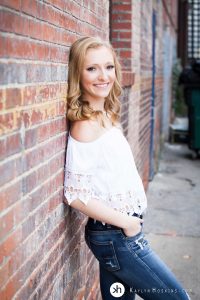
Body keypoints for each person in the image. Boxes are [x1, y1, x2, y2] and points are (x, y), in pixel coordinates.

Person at [63, 36, 190, 300]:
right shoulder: (85, 125)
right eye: (92, 68)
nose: (103, 76)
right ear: (78, 73)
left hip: (118, 233)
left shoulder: (106, 116)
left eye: (109, 67)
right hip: (117, 236)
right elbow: (75, 195)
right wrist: (128, 225)